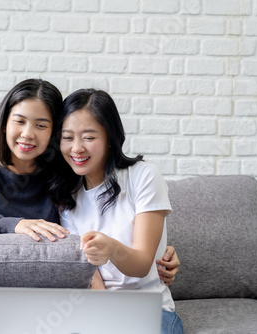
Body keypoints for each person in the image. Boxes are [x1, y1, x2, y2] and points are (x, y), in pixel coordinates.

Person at [0, 79, 180, 334]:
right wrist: (12, 225)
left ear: (52, 134)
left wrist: (156, 252)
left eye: (41, 125)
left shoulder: (59, 185)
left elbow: (81, 256)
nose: (28, 133)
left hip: (41, 306)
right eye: (19, 121)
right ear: (4, 122)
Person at [49, 88, 184, 334]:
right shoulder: (66, 196)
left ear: (110, 138)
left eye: (89, 137)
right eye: (67, 138)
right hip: (98, 308)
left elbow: (142, 264)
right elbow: (89, 275)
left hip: (150, 310)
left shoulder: (142, 176)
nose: (77, 148)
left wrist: (110, 248)